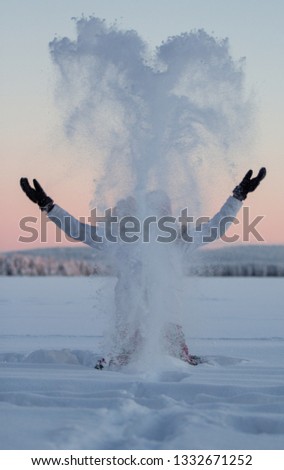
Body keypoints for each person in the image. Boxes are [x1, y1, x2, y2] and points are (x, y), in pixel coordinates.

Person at [20, 168, 266, 367]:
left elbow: (216, 226)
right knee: (119, 368)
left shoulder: (179, 243)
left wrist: (238, 195)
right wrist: (47, 205)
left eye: (163, 212)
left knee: (175, 365)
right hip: (129, 323)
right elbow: (78, 230)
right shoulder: (118, 242)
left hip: (168, 323)